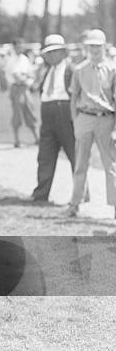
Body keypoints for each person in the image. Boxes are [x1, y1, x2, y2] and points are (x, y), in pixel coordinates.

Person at [66, 29, 116, 218]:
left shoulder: (112, 69)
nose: (94, 49)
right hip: (84, 118)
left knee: (110, 165)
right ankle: (75, 203)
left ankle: (114, 206)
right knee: (80, 163)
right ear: (87, 47)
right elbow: (74, 97)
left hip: (106, 119)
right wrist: (75, 120)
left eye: (98, 46)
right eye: (91, 46)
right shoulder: (80, 70)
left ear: (104, 46)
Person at [31, 34, 75, 203]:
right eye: (48, 53)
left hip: (64, 112)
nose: (51, 56)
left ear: (63, 53)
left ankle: (80, 193)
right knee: (45, 155)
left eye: (55, 52)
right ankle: (41, 194)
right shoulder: (47, 71)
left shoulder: (71, 69)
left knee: (74, 154)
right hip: (48, 113)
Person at [5, 40, 39, 147]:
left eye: (21, 46)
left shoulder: (25, 59)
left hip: (25, 89)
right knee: (17, 114)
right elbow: (16, 76)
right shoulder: (11, 60)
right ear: (14, 47)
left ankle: (37, 138)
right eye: (18, 46)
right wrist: (24, 78)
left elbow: (31, 74)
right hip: (16, 88)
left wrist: (27, 79)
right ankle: (16, 140)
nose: (20, 48)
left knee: (30, 112)